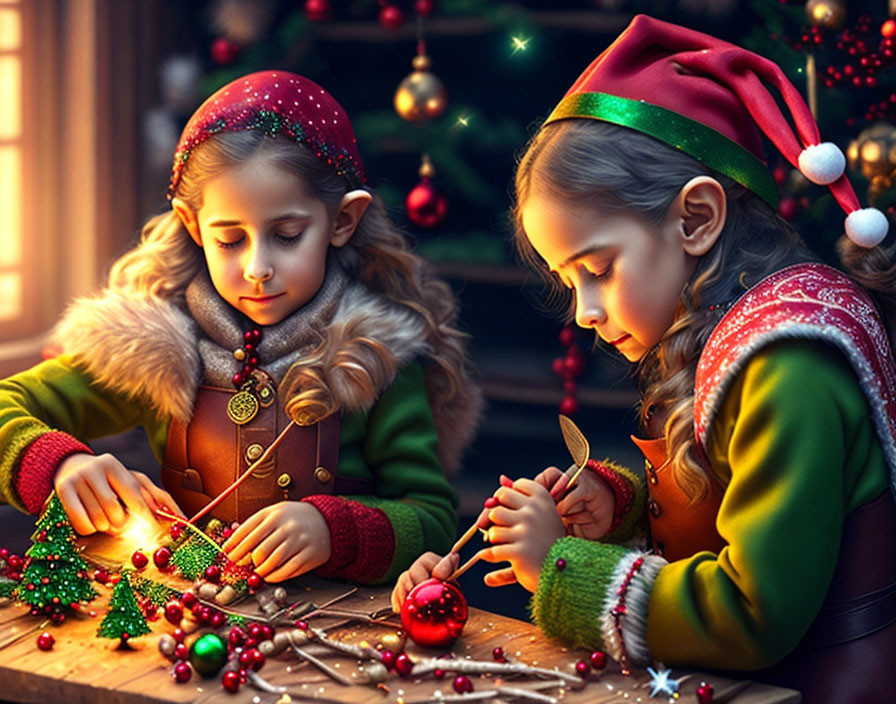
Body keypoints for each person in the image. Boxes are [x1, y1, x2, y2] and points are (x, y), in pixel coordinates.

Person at [392, 16, 896, 700]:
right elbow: (725, 497)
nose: (585, 310)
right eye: (569, 282)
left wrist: (560, 568)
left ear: (696, 219)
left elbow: (756, 614)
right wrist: (616, 505)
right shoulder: (733, 329)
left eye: (597, 267)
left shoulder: (787, 364)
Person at [0, 71, 481, 585]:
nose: (257, 268)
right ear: (192, 225)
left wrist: (333, 529)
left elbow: (432, 522)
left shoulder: (376, 360)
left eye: (288, 235)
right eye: (230, 240)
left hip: (331, 631)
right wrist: (58, 466)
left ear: (343, 221)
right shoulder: (155, 348)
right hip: (178, 620)